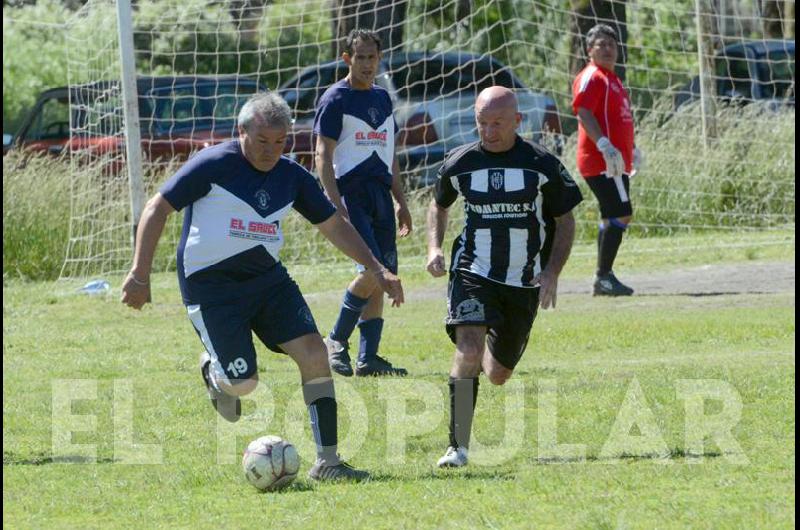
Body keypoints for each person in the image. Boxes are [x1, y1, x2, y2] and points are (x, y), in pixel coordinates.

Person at [120, 92, 406, 482]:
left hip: (268, 282)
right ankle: (215, 372)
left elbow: (333, 225)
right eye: (262, 141)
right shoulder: (213, 164)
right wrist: (140, 274)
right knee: (243, 384)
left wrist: (376, 268)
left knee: (315, 353)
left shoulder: (292, 177)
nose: (271, 151)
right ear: (242, 132)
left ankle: (329, 462)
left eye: (280, 142)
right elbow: (157, 208)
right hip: (212, 288)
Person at [426, 86, 582, 468]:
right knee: (468, 348)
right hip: (473, 270)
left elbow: (565, 221)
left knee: (497, 374)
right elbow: (438, 204)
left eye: (497, 123)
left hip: (524, 279)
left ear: (517, 121)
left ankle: (481, 362)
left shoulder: (542, 164)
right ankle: (457, 447)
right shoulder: (460, 162)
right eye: (482, 123)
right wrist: (435, 247)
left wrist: (552, 273)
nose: (489, 131)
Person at [314, 28, 413, 378]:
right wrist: (333, 199)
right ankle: (335, 341)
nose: (368, 64)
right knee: (375, 269)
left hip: (381, 195)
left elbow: (391, 154)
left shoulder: (383, 99)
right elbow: (322, 154)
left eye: (373, 57)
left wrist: (401, 200)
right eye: (361, 58)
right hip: (351, 195)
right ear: (347, 59)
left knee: (380, 271)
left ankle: (368, 358)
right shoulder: (335, 99)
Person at [572, 23, 644, 296]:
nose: (607, 49)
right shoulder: (592, 76)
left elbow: (618, 120)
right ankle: (603, 277)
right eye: (600, 44)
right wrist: (603, 144)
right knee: (622, 213)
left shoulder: (612, 79)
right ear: (589, 50)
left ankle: (603, 278)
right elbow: (583, 111)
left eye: (611, 44)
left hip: (615, 161)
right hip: (601, 161)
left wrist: (631, 149)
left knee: (610, 215)